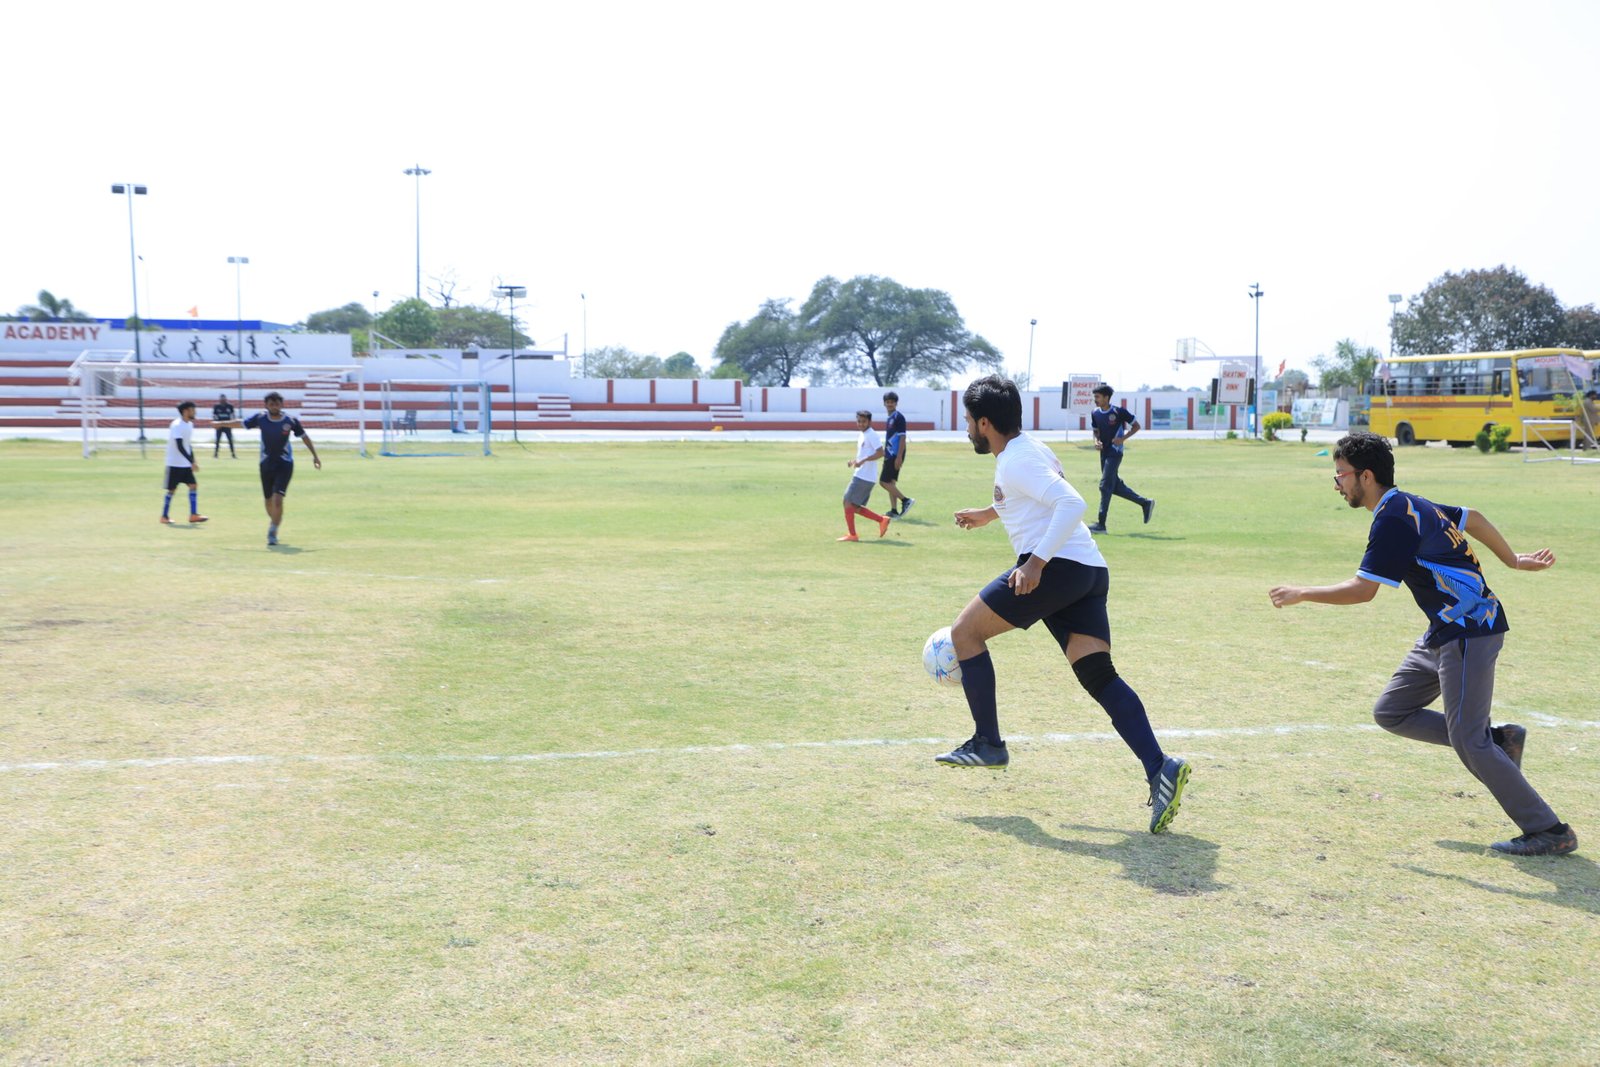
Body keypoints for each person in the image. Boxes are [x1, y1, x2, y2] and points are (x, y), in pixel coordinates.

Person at [1268, 430, 1576, 857]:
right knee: (1392, 711)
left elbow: (1363, 591)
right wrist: (1512, 560)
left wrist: (1302, 593)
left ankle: (1549, 829)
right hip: (1444, 631)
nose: (1336, 484)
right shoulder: (1410, 504)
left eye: (1340, 475)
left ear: (1366, 476)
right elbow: (1473, 517)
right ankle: (1500, 741)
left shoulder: (1394, 519)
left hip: (1470, 631)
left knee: (1468, 741)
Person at [940, 375, 1189, 834]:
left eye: (969, 421)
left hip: (1055, 569)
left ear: (986, 423)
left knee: (964, 634)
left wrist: (1035, 563)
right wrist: (990, 513)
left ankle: (987, 741)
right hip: (1087, 570)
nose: (967, 429)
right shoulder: (1029, 449)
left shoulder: (1016, 461)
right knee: (1099, 676)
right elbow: (1039, 496)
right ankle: (1160, 767)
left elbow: (1071, 503)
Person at [216, 391, 322, 547]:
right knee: (268, 501)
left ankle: (273, 531)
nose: (274, 407)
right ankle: (275, 520)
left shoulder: (290, 421)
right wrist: (221, 424)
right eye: (271, 404)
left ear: (282, 405)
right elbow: (241, 423)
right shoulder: (260, 418)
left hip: (284, 464)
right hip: (266, 464)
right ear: (266, 405)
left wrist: (315, 456)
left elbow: (304, 437)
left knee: (278, 499)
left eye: (277, 404)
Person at [1087, 383, 1154, 534]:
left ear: (1106, 397)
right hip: (1103, 454)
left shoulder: (1119, 412)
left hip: (1115, 453)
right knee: (1114, 486)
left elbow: (1136, 426)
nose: (1095, 399)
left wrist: (1122, 439)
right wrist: (1096, 441)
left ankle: (1101, 525)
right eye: (1094, 397)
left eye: (1098, 397)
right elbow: (1096, 431)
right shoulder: (1095, 413)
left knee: (1105, 486)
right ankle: (1145, 503)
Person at [839, 409, 891, 542]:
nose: (861, 424)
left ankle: (853, 535)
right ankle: (881, 520)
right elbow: (865, 454)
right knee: (853, 506)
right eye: (859, 421)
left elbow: (881, 453)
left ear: (869, 422)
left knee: (847, 502)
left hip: (865, 476)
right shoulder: (863, 434)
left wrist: (863, 461)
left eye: (864, 421)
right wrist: (855, 461)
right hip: (862, 475)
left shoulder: (871, 434)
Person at [159, 401, 208, 525]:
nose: (195, 412)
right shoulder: (176, 425)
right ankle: (164, 516)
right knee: (172, 490)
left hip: (185, 464)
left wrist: (193, 460)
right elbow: (180, 446)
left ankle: (193, 515)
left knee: (193, 485)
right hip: (174, 463)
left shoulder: (190, 425)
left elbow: (187, 445)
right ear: (185, 411)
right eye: (193, 410)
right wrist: (191, 461)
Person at [880, 391, 914, 518]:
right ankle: (894, 511)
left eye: (892, 402)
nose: (890, 404)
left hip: (895, 454)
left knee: (883, 482)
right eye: (887, 402)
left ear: (896, 403)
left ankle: (905, 500)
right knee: (891, 483)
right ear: (884, 403)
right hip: (889, 454)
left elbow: (902, 438)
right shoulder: (890, 417)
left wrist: (899, 456)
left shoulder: (898, 417)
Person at [212, 393, 237, 458]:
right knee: (217, 440)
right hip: (219, 425)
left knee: (230, 440)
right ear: (219, 400)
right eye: (221, 399)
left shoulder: (230, 406)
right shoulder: (216, 406)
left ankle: (233, 454)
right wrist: (216, 423)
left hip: (227, 425)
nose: (223, 400)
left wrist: (232, 423)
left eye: (224, 399)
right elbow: (214, 415)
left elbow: (233, 415)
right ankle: (216, 454)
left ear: (226, 399)